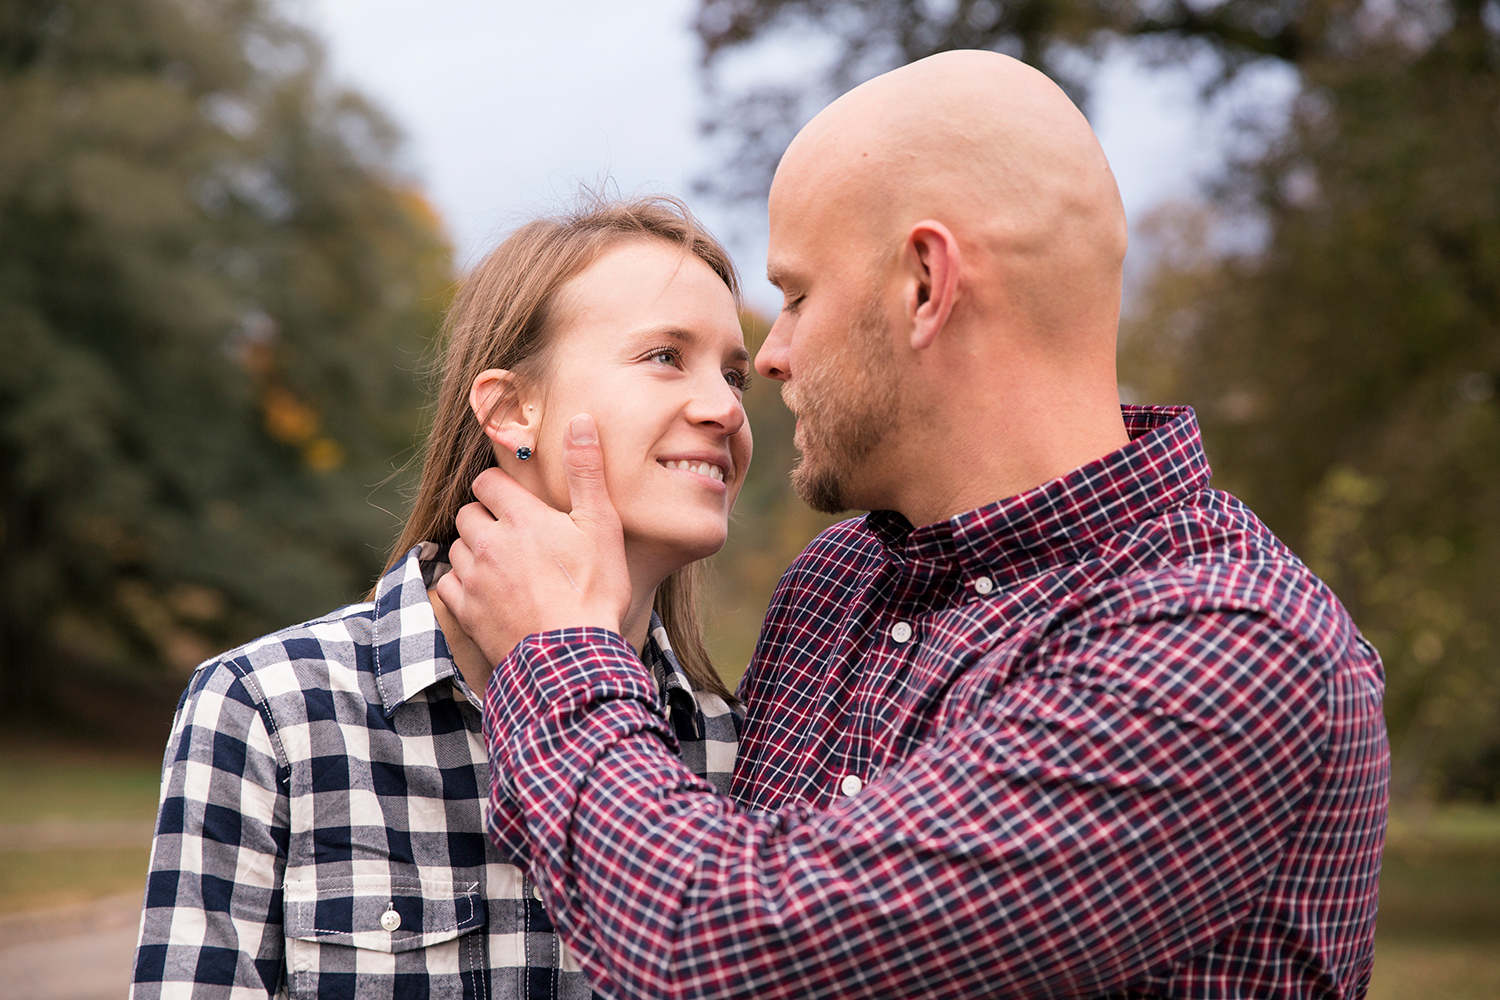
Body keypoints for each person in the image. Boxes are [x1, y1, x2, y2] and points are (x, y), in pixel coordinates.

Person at [436, 51, 1391, 999]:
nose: (770, 359)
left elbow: (725, 952)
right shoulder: (835, 586)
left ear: (927, 285)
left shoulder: (1226, 643)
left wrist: (557, 649)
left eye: (798, 296)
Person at [129, 196, 752, 1000]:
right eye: (666, 356)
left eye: (734, 375)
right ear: (511, 410)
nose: (726, 408)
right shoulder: (269, 711)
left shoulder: (732, 748)